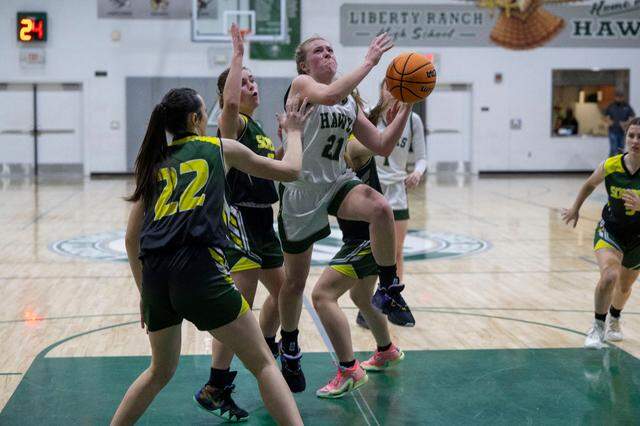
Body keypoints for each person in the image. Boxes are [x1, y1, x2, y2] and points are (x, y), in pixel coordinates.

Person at [110, 86, 311, 425]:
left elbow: (132, 240)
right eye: (206, 112)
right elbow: (291, 171)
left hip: (157, 277)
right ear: (196, 119)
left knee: (159, 371)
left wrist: (145, 293)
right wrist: (293, 131)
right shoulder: (219, 148)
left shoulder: (155, 163)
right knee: (262, 362)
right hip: (199, 271)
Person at [277, 33, 415, 393]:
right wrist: (369, 62)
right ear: (305, 64)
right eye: (318, 51)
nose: (327, 54)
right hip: (301, 192)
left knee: (381, 208)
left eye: (330, 49)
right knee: (294, 282)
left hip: (336, 182)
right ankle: (289, 346)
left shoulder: (348, 104)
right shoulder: (302, 85)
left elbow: (382, 144)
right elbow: (330, 94)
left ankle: (389, 286)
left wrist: (409, 106)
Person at [192, 25, 284, 422]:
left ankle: (263, 348)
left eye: (253, 79)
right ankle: (216, 384)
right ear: (228, 92)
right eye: (243, 81)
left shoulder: (257, 128)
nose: (251, 85)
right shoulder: (234, 124)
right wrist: (237, 55)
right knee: (238, 307)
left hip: (265, 224)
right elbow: (228, 107)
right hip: (241, 224)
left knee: (285, 294)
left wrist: (284, 142)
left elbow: (268, 170)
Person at [312, 136, 405, 399]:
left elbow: (382, 144)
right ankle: (386, 350)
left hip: (366, 238)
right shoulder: (332, 143)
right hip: (363, 237)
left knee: (322, 296)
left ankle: (348, 370)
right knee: (361, 296)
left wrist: (400, 112)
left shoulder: (351, 144)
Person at [561, 117, 640, 349]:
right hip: (611, 230)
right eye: (631, 136)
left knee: (624, 287)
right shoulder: (612, 165)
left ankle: (615, 318)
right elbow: (588, 184)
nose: (635, 141)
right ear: (626, 138)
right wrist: (575, 208)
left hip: (637, 239)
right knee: (609, 276)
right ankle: (597, 326)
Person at [353, 80, 426, 328]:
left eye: (398, 89)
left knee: (396, 251)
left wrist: (417, 171)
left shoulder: (413, 120)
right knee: (371, 251)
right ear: (382, 89)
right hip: (371, 188)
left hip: (397, 190)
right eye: (389, 87)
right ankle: (366, 304)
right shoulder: (369, 115)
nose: (393, 93)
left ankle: (391, 298)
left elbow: (422, 158)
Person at [604, 91, 635, 156]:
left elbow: (632, 117)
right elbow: (605, 116)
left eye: (621, 97)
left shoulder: (627, 106)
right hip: (613, 131)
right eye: (618, 97)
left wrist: (626, 123)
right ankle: (610, 165)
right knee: (613, 149)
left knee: (621, 149)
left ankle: (620, 165)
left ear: (623, 97)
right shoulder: (611, 105)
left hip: (623, 131)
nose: (619, 99)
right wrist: (610, 122)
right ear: (615, 97)